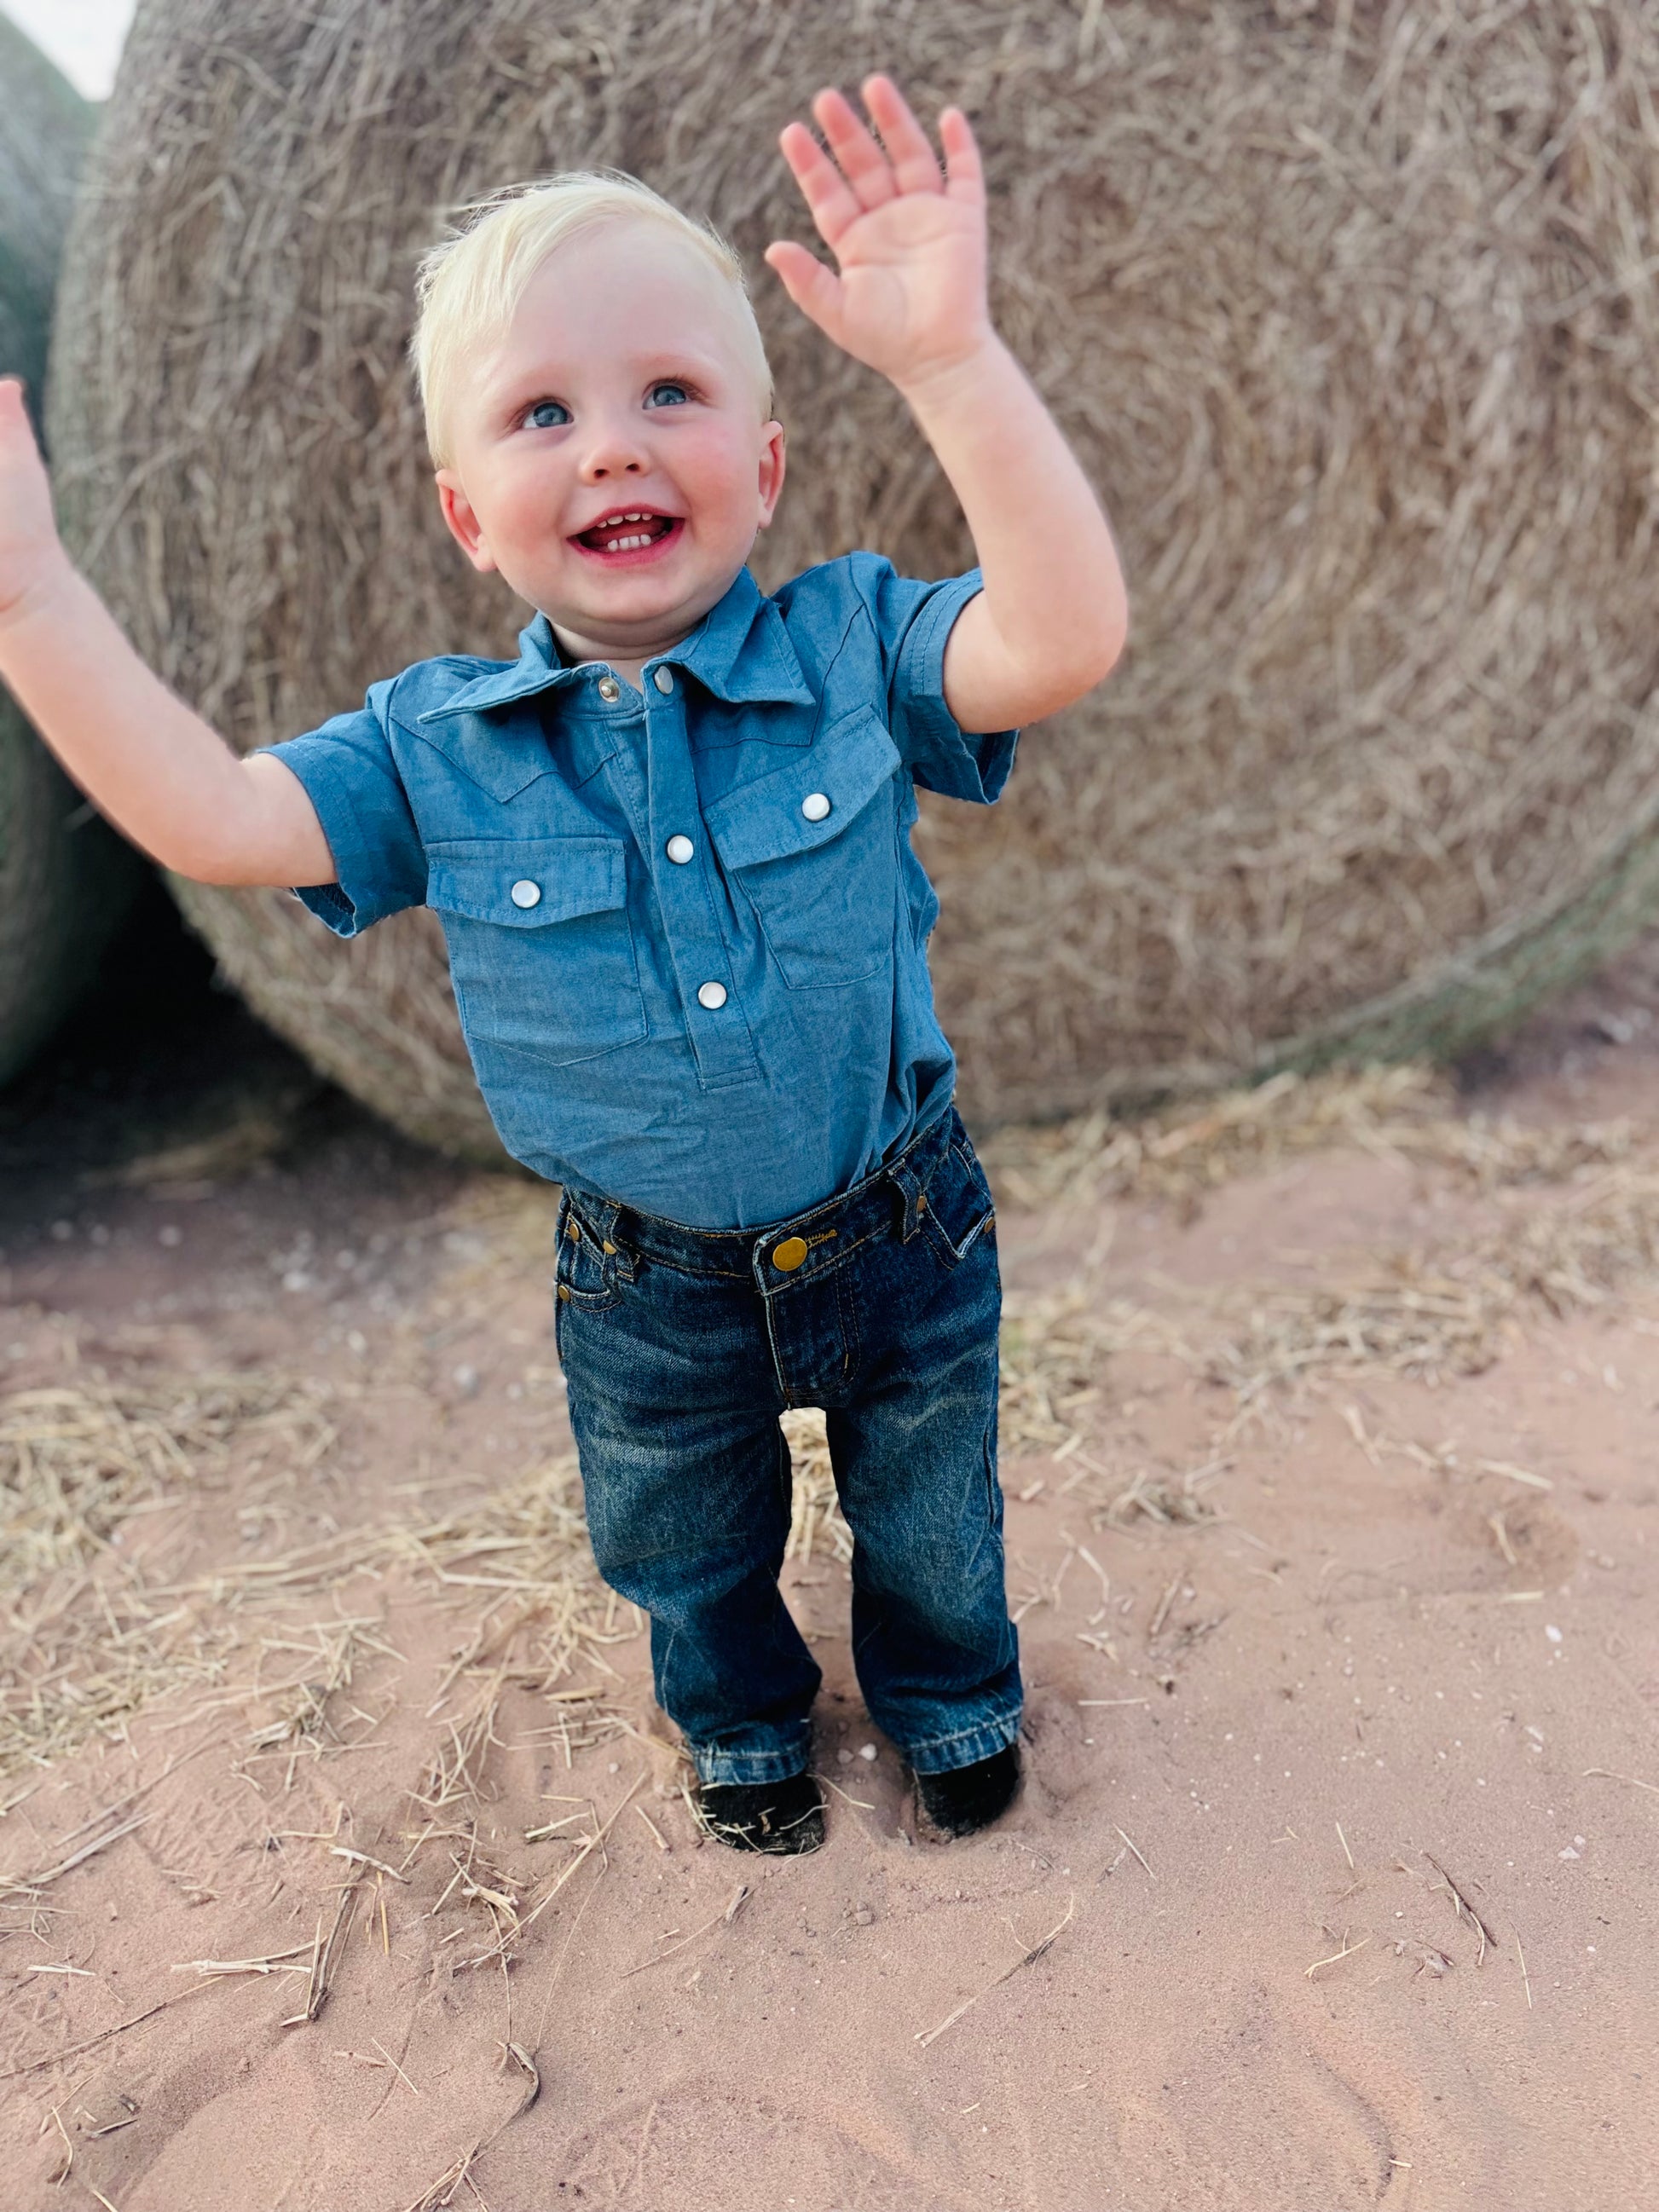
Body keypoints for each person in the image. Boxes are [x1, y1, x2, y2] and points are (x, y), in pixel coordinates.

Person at [0, 78, 1127, 1853]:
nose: (611, 444)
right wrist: (33, 609)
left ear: (763, 465)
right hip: (643, 1275)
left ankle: (950, 1693)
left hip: (899, 1213)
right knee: (681, 1538)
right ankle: (744, 1718)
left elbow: (1063, 635)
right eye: (543, 412)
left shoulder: (851, 643)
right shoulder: (435, 751)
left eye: (668, 393)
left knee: (929, 1506)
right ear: (467, 516)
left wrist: (952, 361)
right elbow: (212, 816)